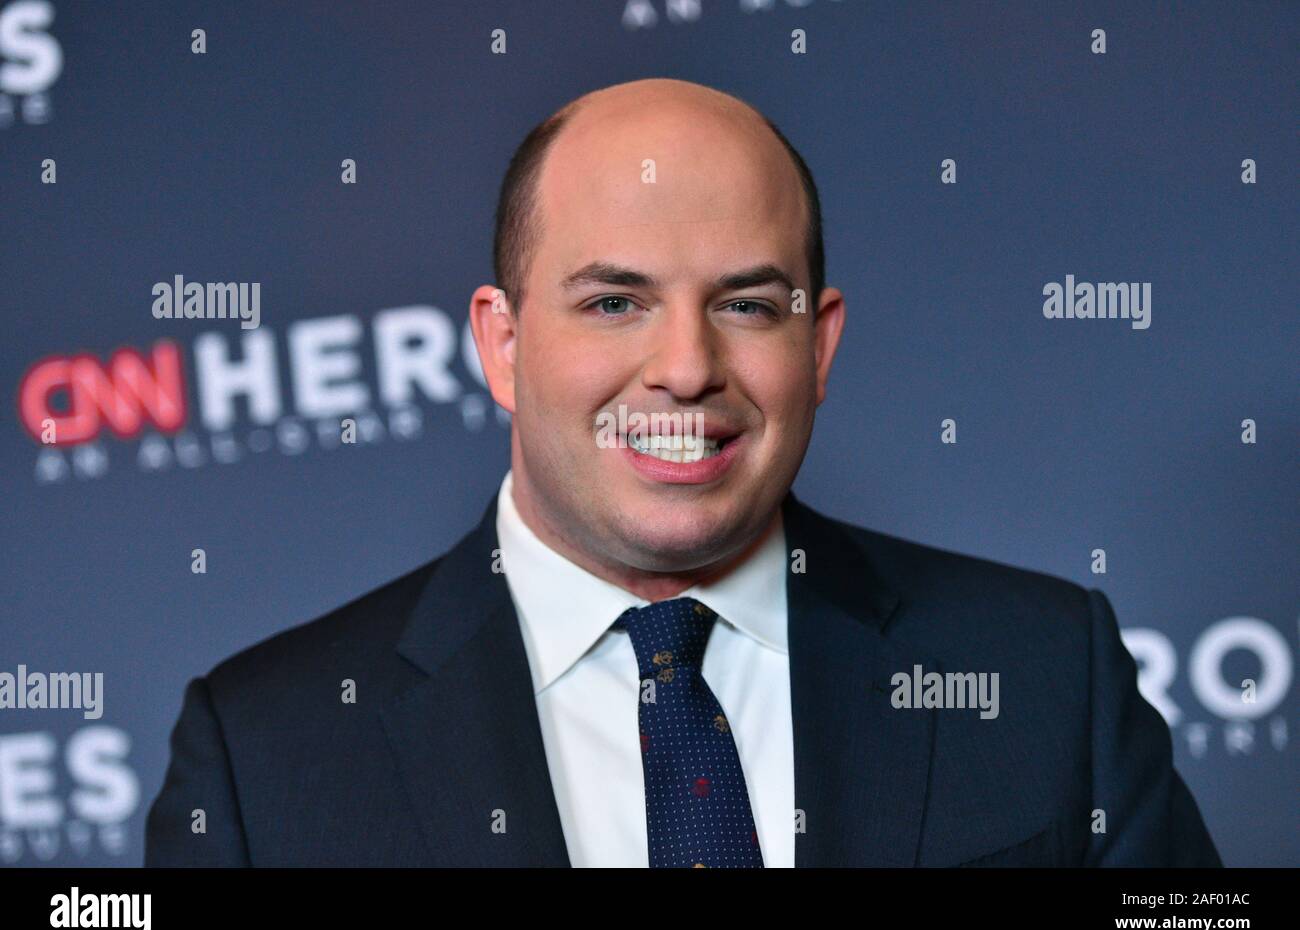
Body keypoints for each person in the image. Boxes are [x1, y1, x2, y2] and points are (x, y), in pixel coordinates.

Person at [145, 78, 1221, 867]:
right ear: (502, 345)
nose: (687, 367)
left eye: (745, 304)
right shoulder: (266, 757)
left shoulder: (1044, 675)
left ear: (819, 346)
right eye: (615, 303)